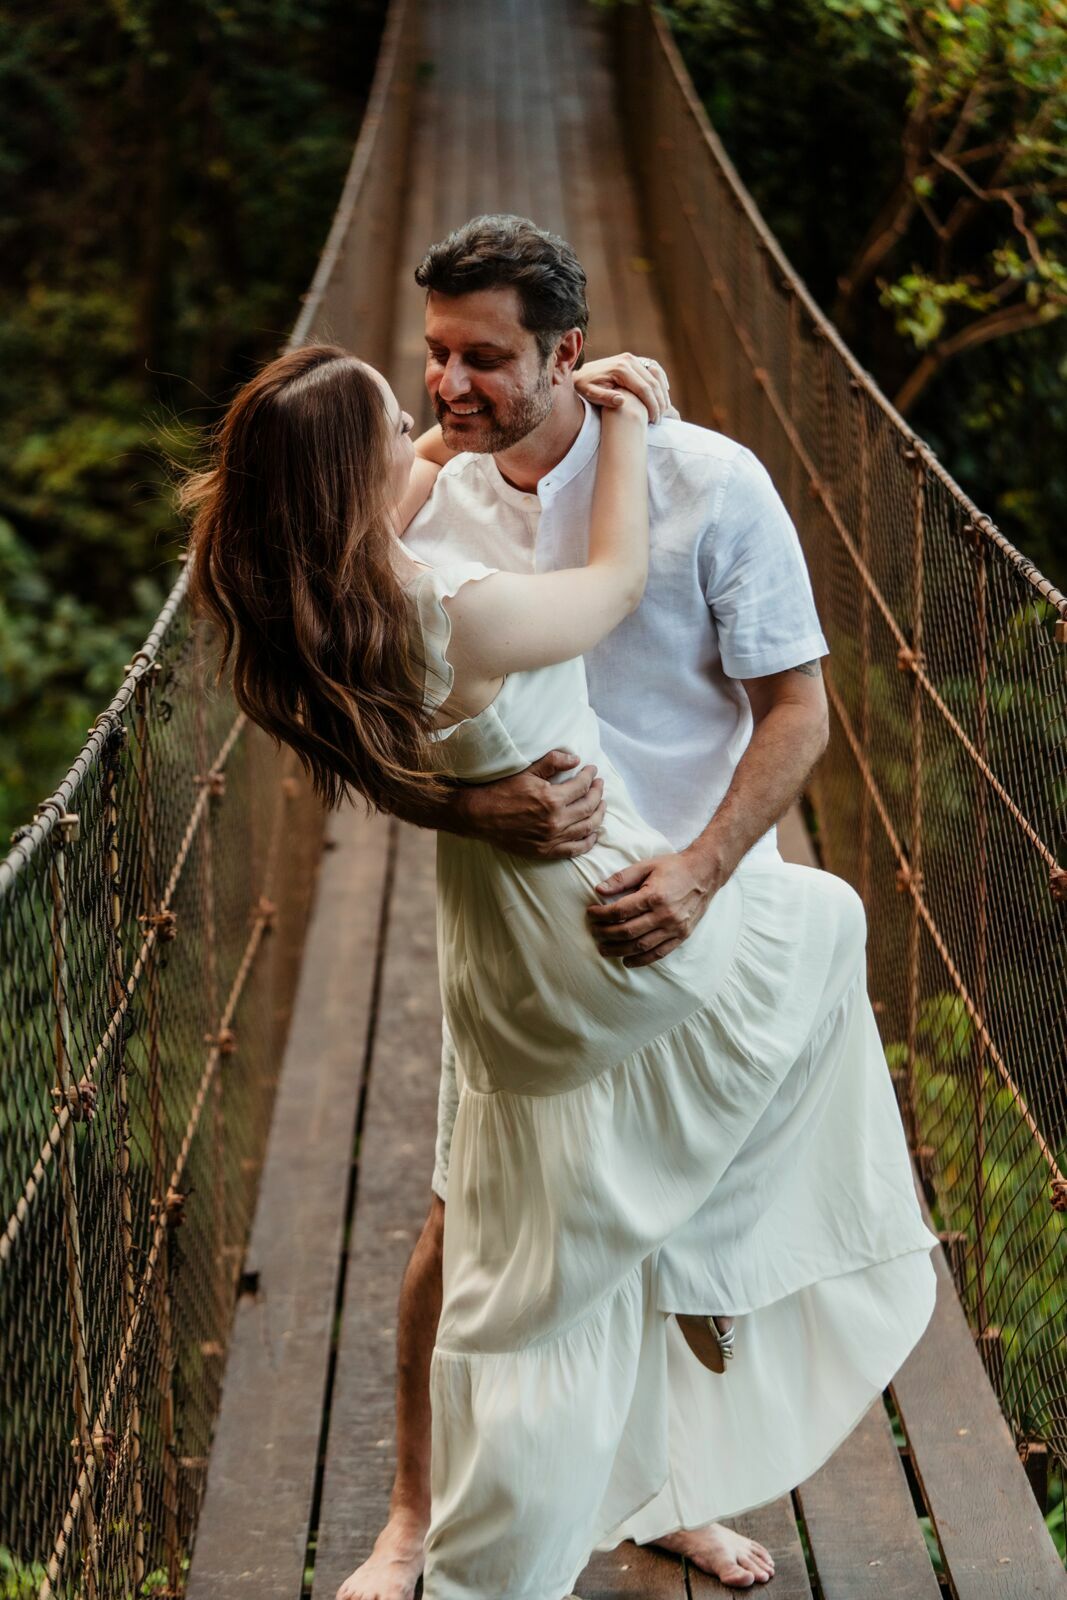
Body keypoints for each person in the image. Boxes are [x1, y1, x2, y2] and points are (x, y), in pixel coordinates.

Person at [182, 218, 938, 1600]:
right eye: (431, 358)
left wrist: (703, 869)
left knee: (672, 1161)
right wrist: (464, 808)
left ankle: (662, 1489)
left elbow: (802, 713)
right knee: (462, 1227)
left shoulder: (714, 482)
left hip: (691, 891)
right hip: (534, 930)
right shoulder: (419, 517)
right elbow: (364, 715)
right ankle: (415, 1520)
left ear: (565, 354)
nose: (446, 389)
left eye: (482, 358)